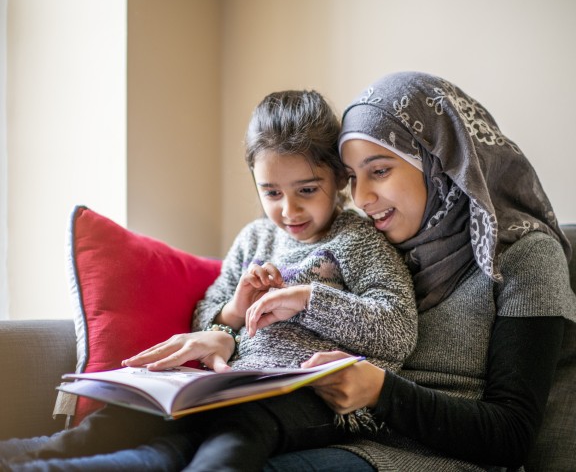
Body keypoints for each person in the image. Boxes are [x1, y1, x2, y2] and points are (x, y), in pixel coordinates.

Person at [0, 90, 417, 471]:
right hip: (231, 385)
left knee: (230, 439)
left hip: (313, 398)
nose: (289, 209)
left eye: (307, 190)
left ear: (339, 180)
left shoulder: (358, 239)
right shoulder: (254, 238)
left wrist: (309, 299)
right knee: (124, 417)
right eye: (271, 193)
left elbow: (397, 329)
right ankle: (34, 457)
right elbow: (206, 315)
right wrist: (234, 310)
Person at [264, 71, 576, 471]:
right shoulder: (374, 248)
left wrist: (381, 391)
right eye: (353, 179)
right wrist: (226, 331)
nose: (361, 198)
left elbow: (512, 435)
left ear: (439, 163)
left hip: (435, 461)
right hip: (342, 436)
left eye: (379, 171)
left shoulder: (525, 256)